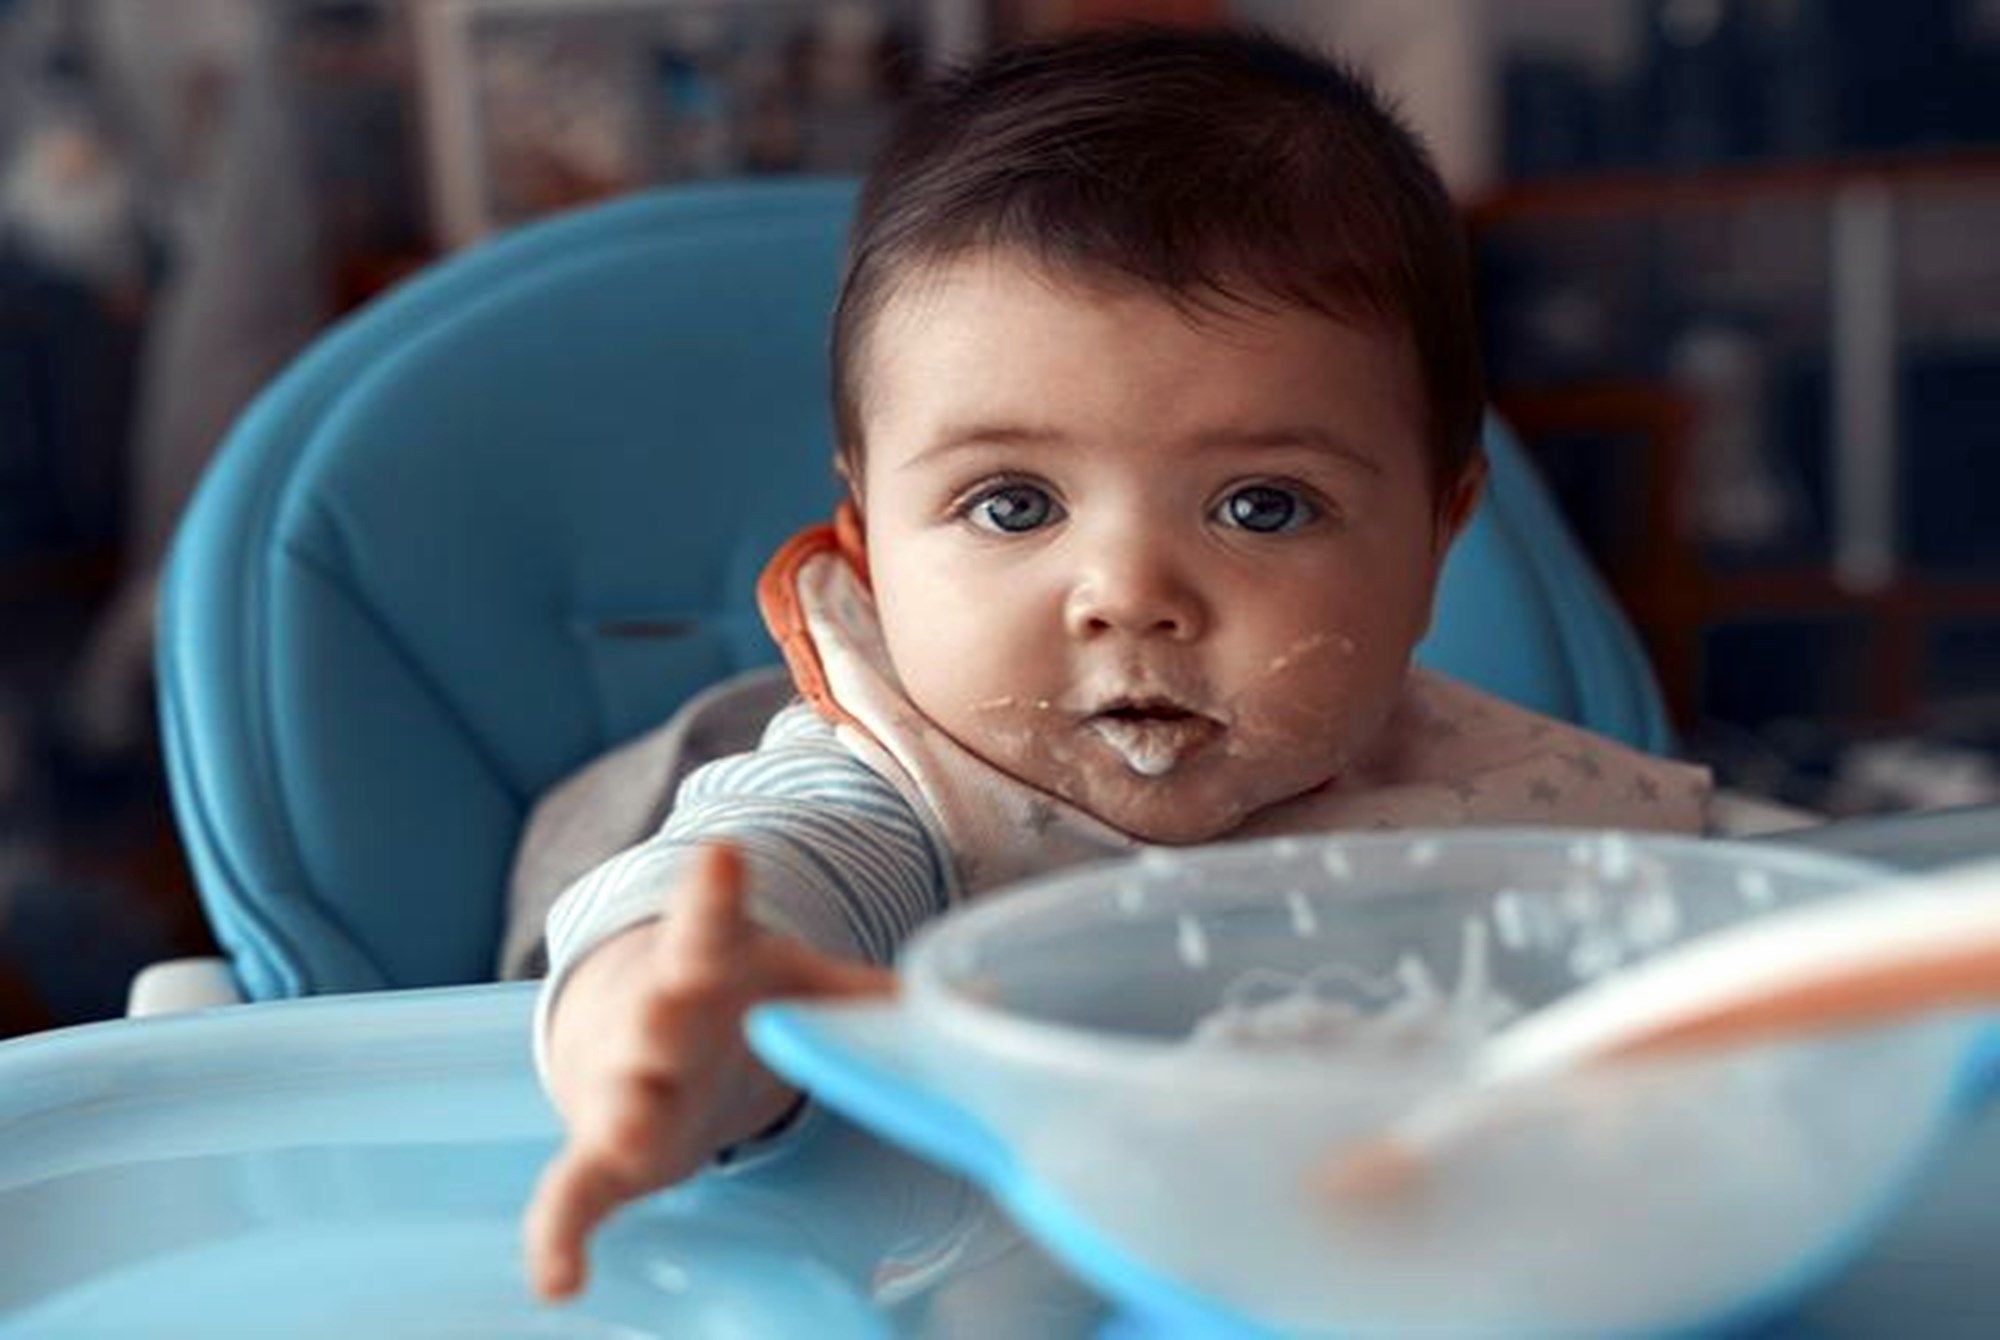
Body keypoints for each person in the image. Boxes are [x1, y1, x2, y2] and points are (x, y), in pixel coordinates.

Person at [520, 23, 1712, 1301]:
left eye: (1261, 505)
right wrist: (673, 1025)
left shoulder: (1498, 804)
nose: (1128, 597)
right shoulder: (895, 799)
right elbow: (755, 890)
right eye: (1012, 505)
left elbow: (1787, 942)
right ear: (866, 546)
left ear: (1436, 534)